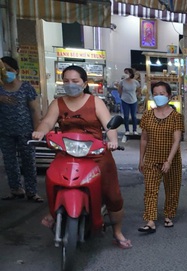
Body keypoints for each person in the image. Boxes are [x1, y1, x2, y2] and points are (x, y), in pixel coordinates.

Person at [32, 65, 132, 250]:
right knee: (53, 178)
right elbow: (47, 121)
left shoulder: (95, 102)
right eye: (67, 81)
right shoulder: (58, 103)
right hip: (67, 152)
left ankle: (117, 232)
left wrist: (112, 141)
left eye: (75, 81)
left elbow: (109, 126)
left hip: (95, 153)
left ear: (84, 83)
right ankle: (53, 210)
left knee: (112, 194)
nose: (71, 85)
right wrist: (40, 131)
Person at [137, 81, 184, 233]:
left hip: (172, 159)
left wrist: (169, 160)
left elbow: (177, 139)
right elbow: (144, 139)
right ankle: (150, 220)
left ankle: (168, 216)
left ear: (169, 96)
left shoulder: (176, 116)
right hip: (151, 158)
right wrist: (141, 159)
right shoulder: (147, 115)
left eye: (162, 94)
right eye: (155, 94)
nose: (158, 97)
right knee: (150, 190)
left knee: (172, 189)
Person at [0, 56, 43, 202]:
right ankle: (16, 189)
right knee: (9, 161)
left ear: (17, 71)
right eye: (3, 70)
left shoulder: (26, 88)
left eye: (9, 70)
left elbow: (35, 110)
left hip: (26, 132)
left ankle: (32, 192)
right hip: (5, 132)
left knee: (28, 161)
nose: (6, 73)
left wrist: (38, 130)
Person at [117, 67, 141, 139]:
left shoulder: (135, 82)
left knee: (134, 116)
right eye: (125, 73)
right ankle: (127, 130)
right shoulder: (122, 82)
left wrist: (136, 96)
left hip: (133, 100)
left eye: (127, 72)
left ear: (130, 73)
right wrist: (122, 96)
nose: (125, 74)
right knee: (126, 116)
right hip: (125, 100)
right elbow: (119, 89)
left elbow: (139, 90)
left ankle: (134, 130)